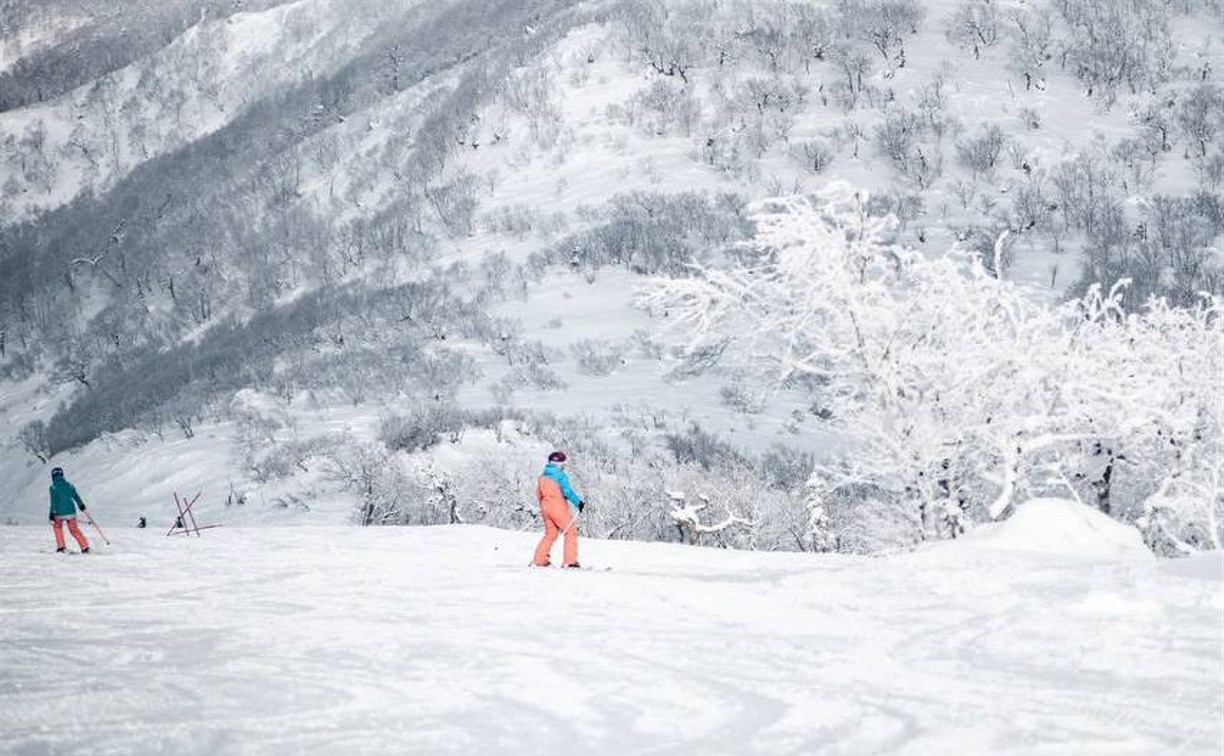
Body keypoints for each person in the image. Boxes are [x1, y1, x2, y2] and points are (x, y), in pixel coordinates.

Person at [532, 451, 585, 568]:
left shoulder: (542, 477)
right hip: (558, 507)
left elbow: (538, 494)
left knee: (550, 534)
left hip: (546, 508)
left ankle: (539, 561)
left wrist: (545, 505)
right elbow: (567, 491)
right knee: (570, 532)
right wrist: (578, 503)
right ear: (560, 464)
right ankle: (570, 562)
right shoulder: (560, 476)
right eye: (564, 465)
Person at [48, 467, 90, 554]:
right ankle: (85, 546)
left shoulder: (53, 487)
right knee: (74, 530)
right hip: (71, 512)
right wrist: (81, 506)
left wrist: (52, 514)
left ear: (53, 476)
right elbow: (76, 496)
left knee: (57, 527)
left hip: (59, 513)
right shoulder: (69, 485)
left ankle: (61, 547)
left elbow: (54, 501)